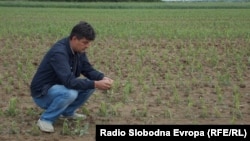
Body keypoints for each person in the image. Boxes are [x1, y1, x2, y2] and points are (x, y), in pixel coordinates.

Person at [30, 21, 114, 133]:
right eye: (85, 42)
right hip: (42, 93)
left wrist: (102, 78)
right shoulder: (59, 53)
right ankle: (46, 119)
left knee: (90, 84)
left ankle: (67, 112)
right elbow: (69, 81)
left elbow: (87, 69)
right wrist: (96, 83)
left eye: (89, 43)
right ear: (74, 39)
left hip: (59, 87)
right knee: (70, 93)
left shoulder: (78, 50)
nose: (87, 46)